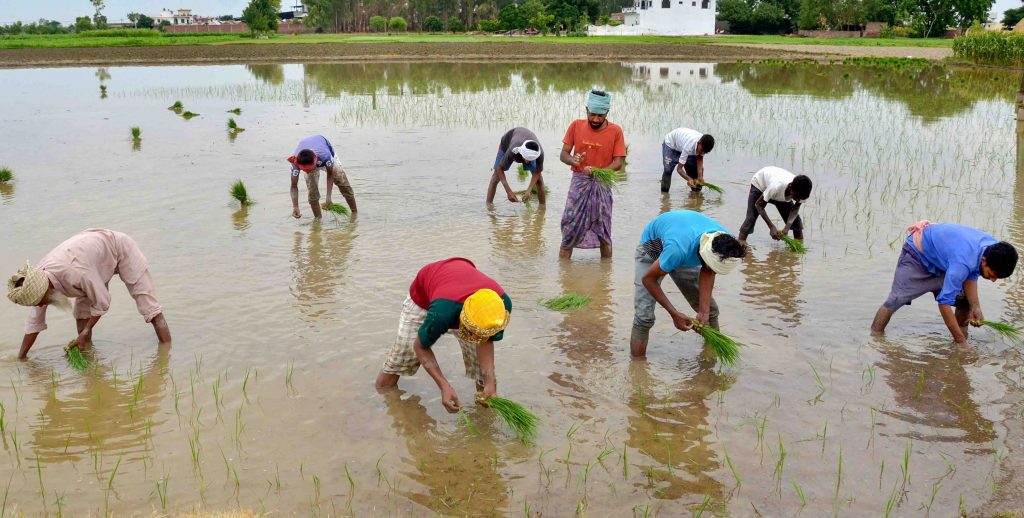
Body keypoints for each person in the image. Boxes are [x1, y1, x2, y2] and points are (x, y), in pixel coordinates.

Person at [6, 229, 171, 359]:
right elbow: (34, 323)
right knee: (82, 316)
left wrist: (86, 332)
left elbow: (103, 301)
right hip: (92, 262)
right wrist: (21, 358)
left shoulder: (76, 272)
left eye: (41, 301)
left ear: (46, 290)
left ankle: (166, 354)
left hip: (120, 249)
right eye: (37, 304)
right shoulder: (38, 283)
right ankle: (89, 359)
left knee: (150, 308)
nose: (41, 305)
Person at [375, 258, 512, 413]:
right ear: (463, 320)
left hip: (457, 283)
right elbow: (420, 347)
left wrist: (490, 382)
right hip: (425, 298)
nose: (477, 337)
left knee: (482, 370)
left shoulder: (501, 307)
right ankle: (380, 403)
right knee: (401, 358)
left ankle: (484, 414)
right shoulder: (442, 312)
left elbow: (486, 341)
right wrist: (444, 386)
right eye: (474, 332)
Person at [871, 221, 1018, 346]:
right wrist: (961, 343)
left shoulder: (992, 249)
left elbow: (972, 274)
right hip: (918, 256)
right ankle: (875, 340)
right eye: (992, 275)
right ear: (984, 261)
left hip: (946, 263)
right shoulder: (963, 262)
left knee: (965, 303)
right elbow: (944, 303)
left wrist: (976, 307)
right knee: (895, 300)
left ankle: (958, 340)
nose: (993, 280)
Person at [630, 210, 746, 358]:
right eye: (710, 265)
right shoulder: (678, 250)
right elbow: (648, 280)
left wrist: (704, 312)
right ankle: (637, 370)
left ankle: (711, 361)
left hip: (684, 248)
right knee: (644, 317)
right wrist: (674, 314)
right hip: (653, 249)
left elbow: (709, 270)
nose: (710, 268)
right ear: (704, 255)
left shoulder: (723, 242)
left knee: (710, 313)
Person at [559, 89, 627, 259]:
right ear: (587, 110)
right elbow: (563, 154)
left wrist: (600, 172)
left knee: (603, 227)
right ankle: (564, 270)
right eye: (593, 114)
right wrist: (573, 161)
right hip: (579, 182)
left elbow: (618, 162)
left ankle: (606, 274)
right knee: (570, 224)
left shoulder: (616, 131)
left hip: (602, 183)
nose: (596, 119)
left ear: (607, 113)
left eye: (600, 116)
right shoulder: (576, 125)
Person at [287, 134, 358, 219]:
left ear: (315, 160)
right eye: (304, 170)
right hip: (308, 157)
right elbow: (294, 186)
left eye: (309, 169)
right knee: (312, 190)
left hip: (323, 153)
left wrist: (328, 198)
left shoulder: (325, 156)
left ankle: (355, 213)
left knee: (341, 180)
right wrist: (295, 206)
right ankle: (318, 220)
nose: (307, 171)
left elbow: (330, 174)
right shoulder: (295, 163)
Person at [737, 166, 813, 245]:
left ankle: (798, 249)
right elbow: (758, 205)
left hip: (779, 193)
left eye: (800, 198)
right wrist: (771, 227)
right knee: (751, 218)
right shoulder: (776, 186)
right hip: (760, 184)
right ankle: (740, 243)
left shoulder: (803, 191)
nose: (797, 200)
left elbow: (795, 208)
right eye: (796, 197)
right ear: (791, 188)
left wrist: (787, 228)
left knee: (796, 222)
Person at [487, 127, 546, 205]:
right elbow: (499, 168)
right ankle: (489, 206)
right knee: (495, 177)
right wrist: (508, 191)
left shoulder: (539, 153)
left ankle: (542, 209)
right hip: (506, 144)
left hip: (524, 141)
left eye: (531, 159)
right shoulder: (512, 150)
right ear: (522, 153)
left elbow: (538, 171)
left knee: (539, 180)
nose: (528, 161)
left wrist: (529, 190)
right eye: (527, 159)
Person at [662, 127, 715, 193]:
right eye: (701, 150)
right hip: (671, 145)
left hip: (684, 145)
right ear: (699, 142)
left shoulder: (705, 144)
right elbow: (679, 169)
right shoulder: (689, 146)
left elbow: (700, 157)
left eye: (705, 152)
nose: (702, 153)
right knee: (668, 170)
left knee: (695, 174)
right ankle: (665, 197)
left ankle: (696, 197)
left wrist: (700, 176)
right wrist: (689, 179)